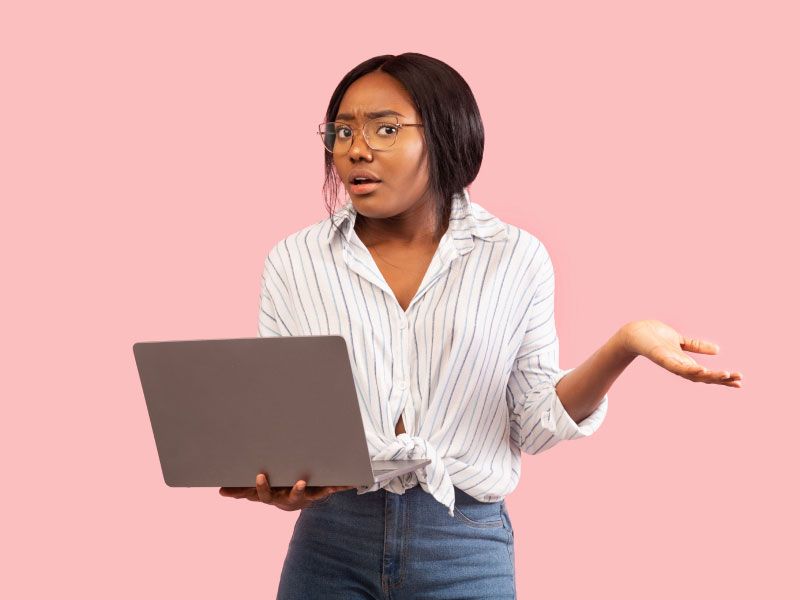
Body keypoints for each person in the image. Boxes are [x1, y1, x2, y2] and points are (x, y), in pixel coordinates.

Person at [219, 52, 743, 599]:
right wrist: (281, 479)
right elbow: (286, 422)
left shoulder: (516, 258)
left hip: (464, 543)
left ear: (445, 137)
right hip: (330, 542)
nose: (355, 148)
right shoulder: (294, 261)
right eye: (343, 130)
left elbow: (534, 425)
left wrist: (623, 345)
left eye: (386, 129)